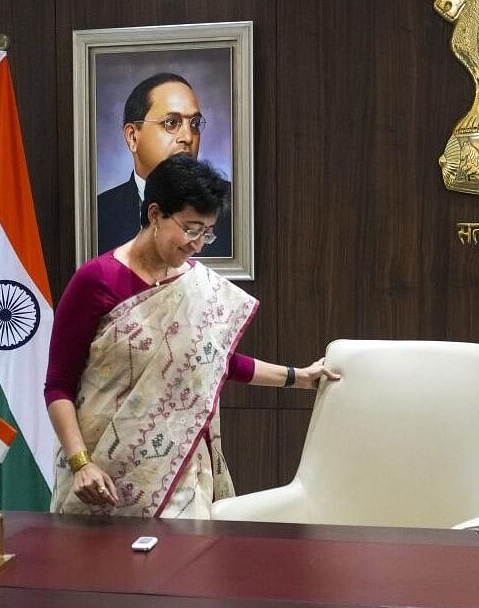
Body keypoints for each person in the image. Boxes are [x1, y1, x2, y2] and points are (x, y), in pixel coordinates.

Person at [47, 155, 338, 518]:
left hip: (178, 472)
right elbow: (58, 384)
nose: (199, 243)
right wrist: (80, 463)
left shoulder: (196, 286)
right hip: (99, 474)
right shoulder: (97, 281)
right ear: (155, 214)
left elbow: (215, 360)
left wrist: (297, 377)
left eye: (208, 231)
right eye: (191, 228)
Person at [97, 72, 233, 256]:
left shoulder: (234, 205)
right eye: (171, 123)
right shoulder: (98, 213)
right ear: (132, 136)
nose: (187, 137)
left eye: (195, 124)